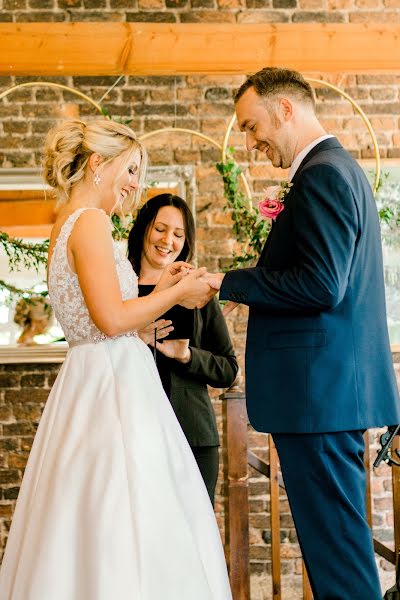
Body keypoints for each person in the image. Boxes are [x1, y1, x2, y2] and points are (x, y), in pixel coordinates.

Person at [0, 118, 232, 600]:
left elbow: (106, 311)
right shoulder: (90, 223)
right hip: (112, 386)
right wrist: (180, 293)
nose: (134, 185)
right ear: (98, 164)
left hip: (92, 378)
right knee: (129, 512)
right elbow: (110, 320)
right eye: (130, 171)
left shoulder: (67, 222)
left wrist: (165, 286)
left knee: (91, 514)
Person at [206, 67, 400, 599]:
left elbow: (320, 284)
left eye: (251, 126)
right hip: (325, 397)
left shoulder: (322, 175)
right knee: (334, 549)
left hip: (319, 398)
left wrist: (227, 281)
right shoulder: (336, 170)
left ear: (285, 110)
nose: (250, 142)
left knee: (338, 558)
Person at [128, 193, 238, 504]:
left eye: (178, 234)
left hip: (192, 437)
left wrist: (187, 356)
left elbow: (229, 369)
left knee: (194, 537)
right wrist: (133, 334)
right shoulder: (119, 288)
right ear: (143, 229)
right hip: (133, 433)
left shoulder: (197, 290)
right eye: (160, 229)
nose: (168, 241)